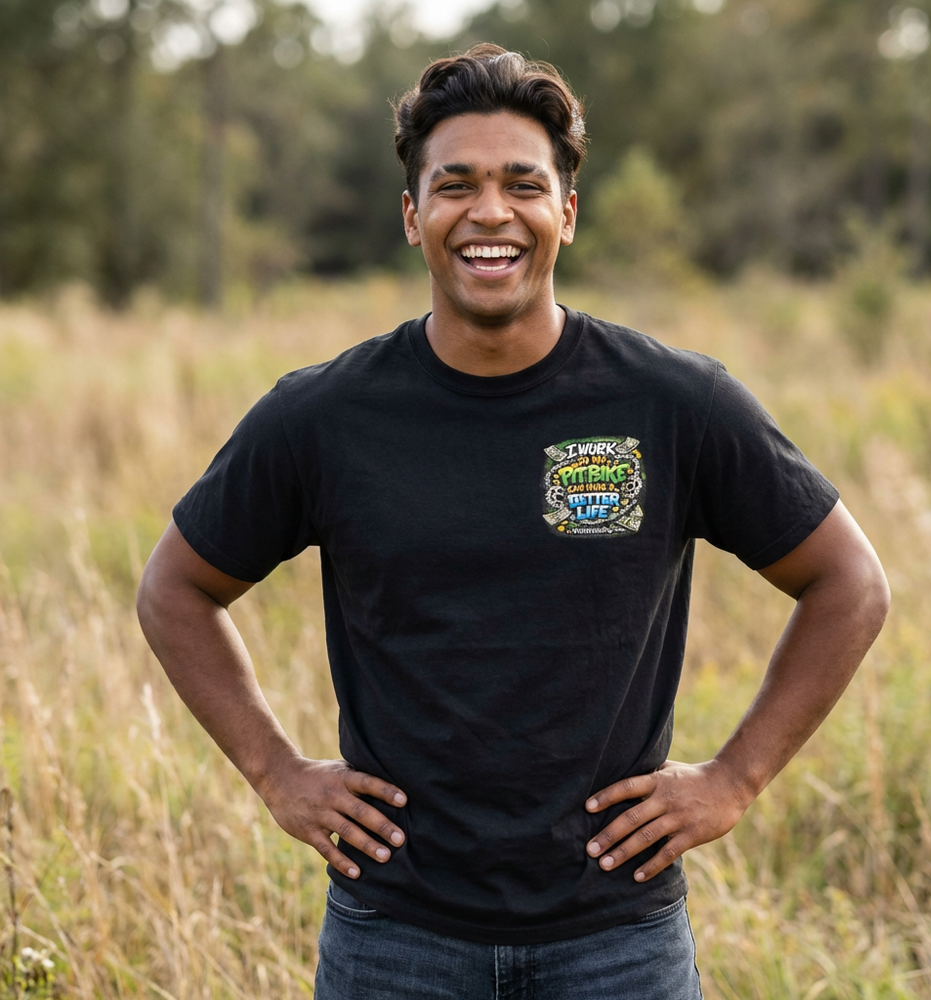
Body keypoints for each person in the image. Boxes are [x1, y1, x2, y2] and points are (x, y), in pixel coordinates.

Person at [137, 44, 890, 1000]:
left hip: (617, 942)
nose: (489, 212)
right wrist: (276, 771)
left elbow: (849, 582)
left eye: (523, 185)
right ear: (412, 216)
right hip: (395, 939)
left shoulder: (672, 403)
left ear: (566, 213)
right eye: (455, 185)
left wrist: (734, 780)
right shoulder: (323, 417)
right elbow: (175, 588)